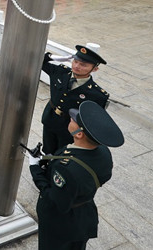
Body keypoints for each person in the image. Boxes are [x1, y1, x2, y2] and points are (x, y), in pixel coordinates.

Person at [28, 101, 124, 249]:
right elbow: (102, 176)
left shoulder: (66, 168)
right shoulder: (103, 152)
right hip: (83, 217)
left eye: (74, 120)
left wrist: (35, 168)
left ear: (79, 133)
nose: (71, 118)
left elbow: (54, 199)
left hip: (60, 224)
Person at [41, 45, 110, 154]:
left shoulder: (98, 95)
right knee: (47, 151)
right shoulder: (61, 72)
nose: (77, 66)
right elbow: (38, 61)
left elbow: (93, 121)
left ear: (95, 69)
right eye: (75, 61)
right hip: (50, 119)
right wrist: (51, 57)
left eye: (83, 65)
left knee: (62, 155)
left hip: (69, 130)